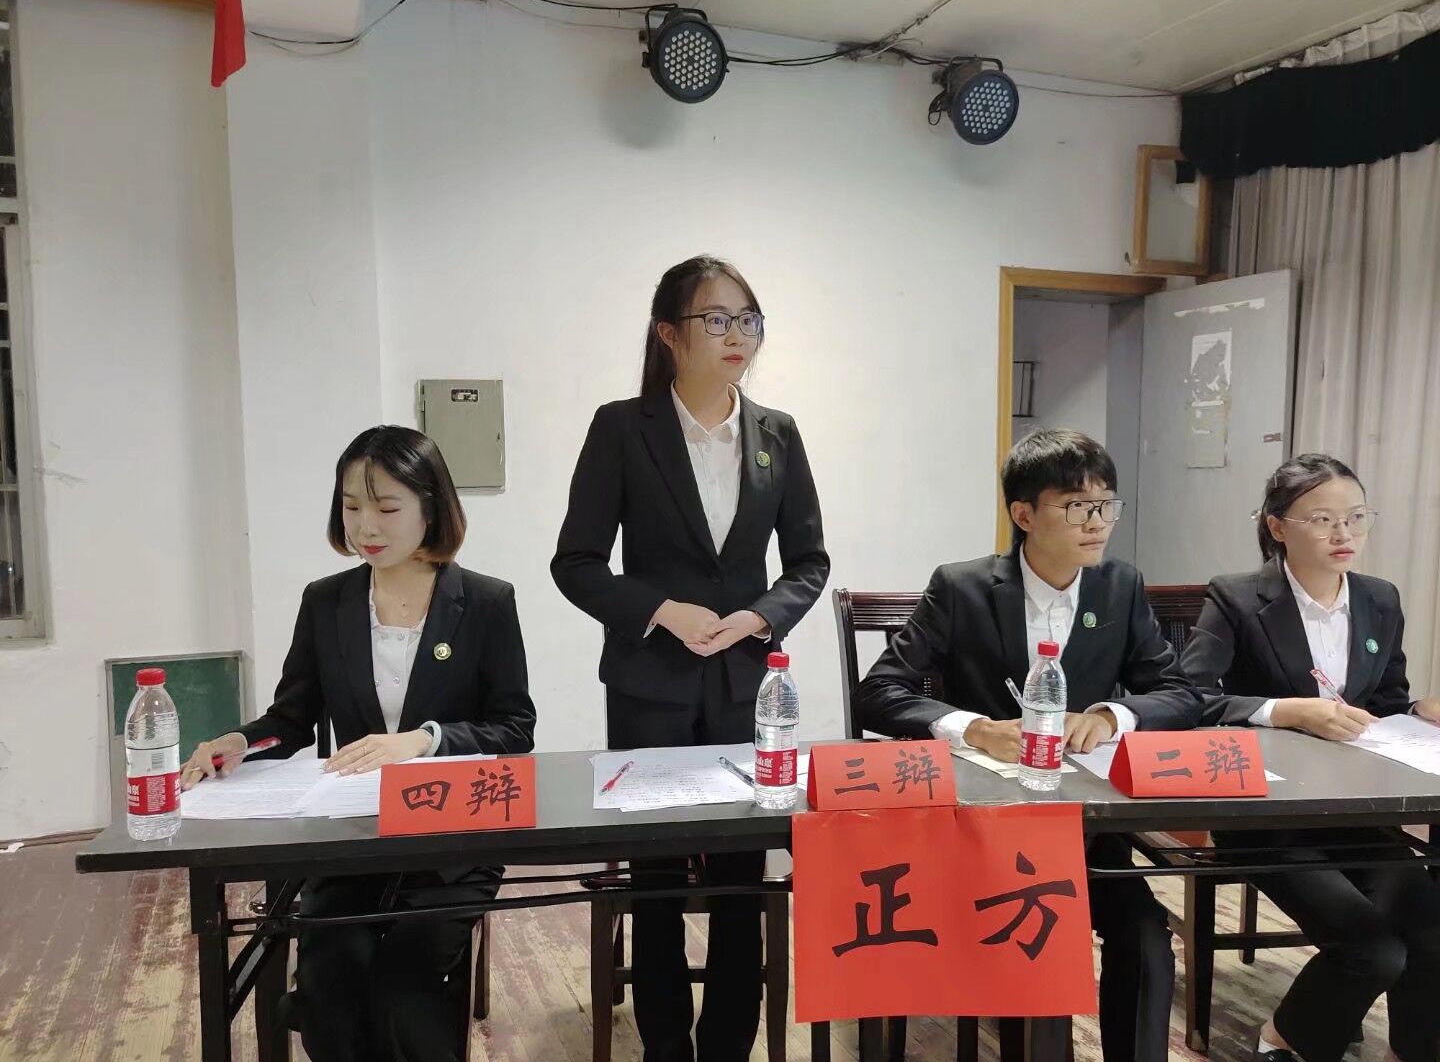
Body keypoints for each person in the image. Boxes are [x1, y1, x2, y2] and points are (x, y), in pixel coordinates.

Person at [181, 425, 536, 1062]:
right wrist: (239, 742)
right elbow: (292, 718)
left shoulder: (485, 602)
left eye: (387, 507)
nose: (365, 525)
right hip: (355, 837)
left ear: (431, 507)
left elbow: (514, 729)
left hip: (451, 839)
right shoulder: (327, 602)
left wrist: (424, 741)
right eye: (351, 506)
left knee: (405, 986)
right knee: (331, 979)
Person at [551, 255, 829, 1062]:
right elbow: (576, 562)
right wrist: (661, 611)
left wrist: (758, 617)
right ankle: (666, 1045)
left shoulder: (777, 433)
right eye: (717, 318)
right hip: (651, 685)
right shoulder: (622, 428)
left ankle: (730, 1045)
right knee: (658, 881)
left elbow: (808, 562)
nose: (738, 335)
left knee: (742, 878)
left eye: (748, 319)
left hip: (748, 686)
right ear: (669, 334)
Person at [855, 427, 1204, 1062]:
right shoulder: (961, 587)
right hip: (982, 830)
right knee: (1037, 938)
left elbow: (1180, 691)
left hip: (1088, 829)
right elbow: (878, 692)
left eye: (1106, 505)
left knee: (1147, 940)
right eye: (1076, 507)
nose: (1097, 523)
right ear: (1024, 515)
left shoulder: (1119, 586)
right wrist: (972, 727)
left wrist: (1112, 714)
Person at [1182, 453, 1440, 1062]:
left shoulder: (1379, 599)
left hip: (1357, 813)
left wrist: (1418, 711)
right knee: (1372, 950)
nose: (1343, 533)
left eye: (1356, 517)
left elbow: (1384, 702)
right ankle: (1286, 1038)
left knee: (1432, 935)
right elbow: (1190, 697)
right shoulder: (1237, 598)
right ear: (1278, 527)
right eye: (1322, 519)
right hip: (1269, 816)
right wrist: (1286, 710)